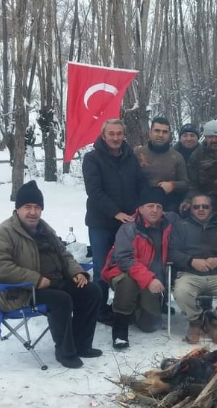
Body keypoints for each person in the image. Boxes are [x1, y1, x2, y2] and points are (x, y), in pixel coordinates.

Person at [0, 181, 103, 369]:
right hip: (20, 291)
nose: (33, 212)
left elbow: (64, 255)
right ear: (17, 209)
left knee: (91, 291)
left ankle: (82, 345)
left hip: (54, 281)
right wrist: (35, 279)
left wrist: (77, 272)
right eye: (27, 207)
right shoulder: (3, 233)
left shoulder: (44, 229)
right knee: (61, 299)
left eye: (37, 207)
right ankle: (65, 352)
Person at [83, 119, 149, 323]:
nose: (115, 138)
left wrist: (141, 208)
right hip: (101, 222)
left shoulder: (131, 157)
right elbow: (94, 191)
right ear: (104, 136)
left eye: (119, 134)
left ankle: (126, 305)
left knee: (128, 263)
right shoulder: (92, 159)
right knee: (102, 266)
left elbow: (141, 184)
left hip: (129, 223)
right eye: (111, 134)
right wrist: (115, 212)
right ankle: (100, 308)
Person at [101, 187, 178, 349]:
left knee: (150, 325)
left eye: (159, 206)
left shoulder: (168, 226)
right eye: (150, 206)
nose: (155, 210)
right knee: (128, 282)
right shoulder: (128, 228)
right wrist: (149, 279)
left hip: (150, 278)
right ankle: (120, 330)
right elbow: (124, 259)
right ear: (141, 208)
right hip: (122, 272)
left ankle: (135, 308)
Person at [171, 195, 217, 344]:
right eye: (196, 206)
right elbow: (172, 252)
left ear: (211, 208)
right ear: (191, 208)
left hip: (216, 275)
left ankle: (213, 321)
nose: (201, 209)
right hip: (189, 274)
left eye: (205, 206)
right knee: (181, 291)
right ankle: (196, 321)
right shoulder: (181, 225)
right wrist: (191, 261)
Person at [134, 117, 189, 212]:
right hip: (141, 208)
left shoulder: (176, 157)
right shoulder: (138, 153)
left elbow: (185, 183)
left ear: (169, 135)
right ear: (150, 133)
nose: (160, 135)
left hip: (168, 208)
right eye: (157, 131)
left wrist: (172, 185)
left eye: (165, 132)